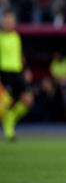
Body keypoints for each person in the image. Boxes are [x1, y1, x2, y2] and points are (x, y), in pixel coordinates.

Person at [0, 10, 34, 141]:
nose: (9, 23)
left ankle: (10, 119)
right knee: (6, 102)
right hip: (4, 72)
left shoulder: (16, 37)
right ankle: (8, 129)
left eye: (11, 21)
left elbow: (20, 56)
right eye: (6, 21)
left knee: (28, 100)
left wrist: (26, 70)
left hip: (17, 72)